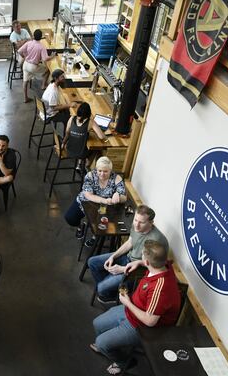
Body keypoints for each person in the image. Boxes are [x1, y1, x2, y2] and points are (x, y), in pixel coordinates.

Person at [91, 240, 180, 375]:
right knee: (97, 323)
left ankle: (124, 361)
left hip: (141, 326)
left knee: (101, 342)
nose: (141, 257)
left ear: (149, 263)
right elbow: (152, 261)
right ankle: (108, 348)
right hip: (132, 310)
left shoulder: (159, 289)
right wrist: (138, 262)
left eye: (142, 256)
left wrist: (127, 303)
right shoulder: (163, 264)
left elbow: (150, 321)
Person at [88, 205, 169, 304]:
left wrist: (122, 269)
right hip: (128, 258)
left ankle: (111, 293)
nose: (137, 225)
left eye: (142, 222)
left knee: (100, 288)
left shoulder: (157, 239)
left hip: (138, 270)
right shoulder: (136, 226)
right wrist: (113, 256)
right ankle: (112, 290)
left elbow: (152, 265)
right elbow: (130, 242)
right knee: (92, 262)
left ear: (151, 223)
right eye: (135, 220)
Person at [64, 156, 127, 241]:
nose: (102, 174)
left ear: (110, 170)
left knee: (98, 226)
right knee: (70, 218)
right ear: (96, 169)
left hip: (103, 208)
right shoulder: (90, 176)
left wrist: (118, 195)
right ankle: (80, 226)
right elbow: (88, 195)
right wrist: (104, 200)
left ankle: (94, 237)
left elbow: (124, 198)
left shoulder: (116, 178)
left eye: (105, 171)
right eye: (99, 171)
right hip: (86, 202)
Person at [17, 29, 54, 103]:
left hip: (25, 64)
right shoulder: (41, 47)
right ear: (41, 37)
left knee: (25, 81)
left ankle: (25, 98)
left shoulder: (28, 43)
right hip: (33, 66)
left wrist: (24, 56)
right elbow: (45, 59)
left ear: (33, 36)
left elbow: (19, 51)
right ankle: (43, 85)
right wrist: (52, 56)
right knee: (47, 70)